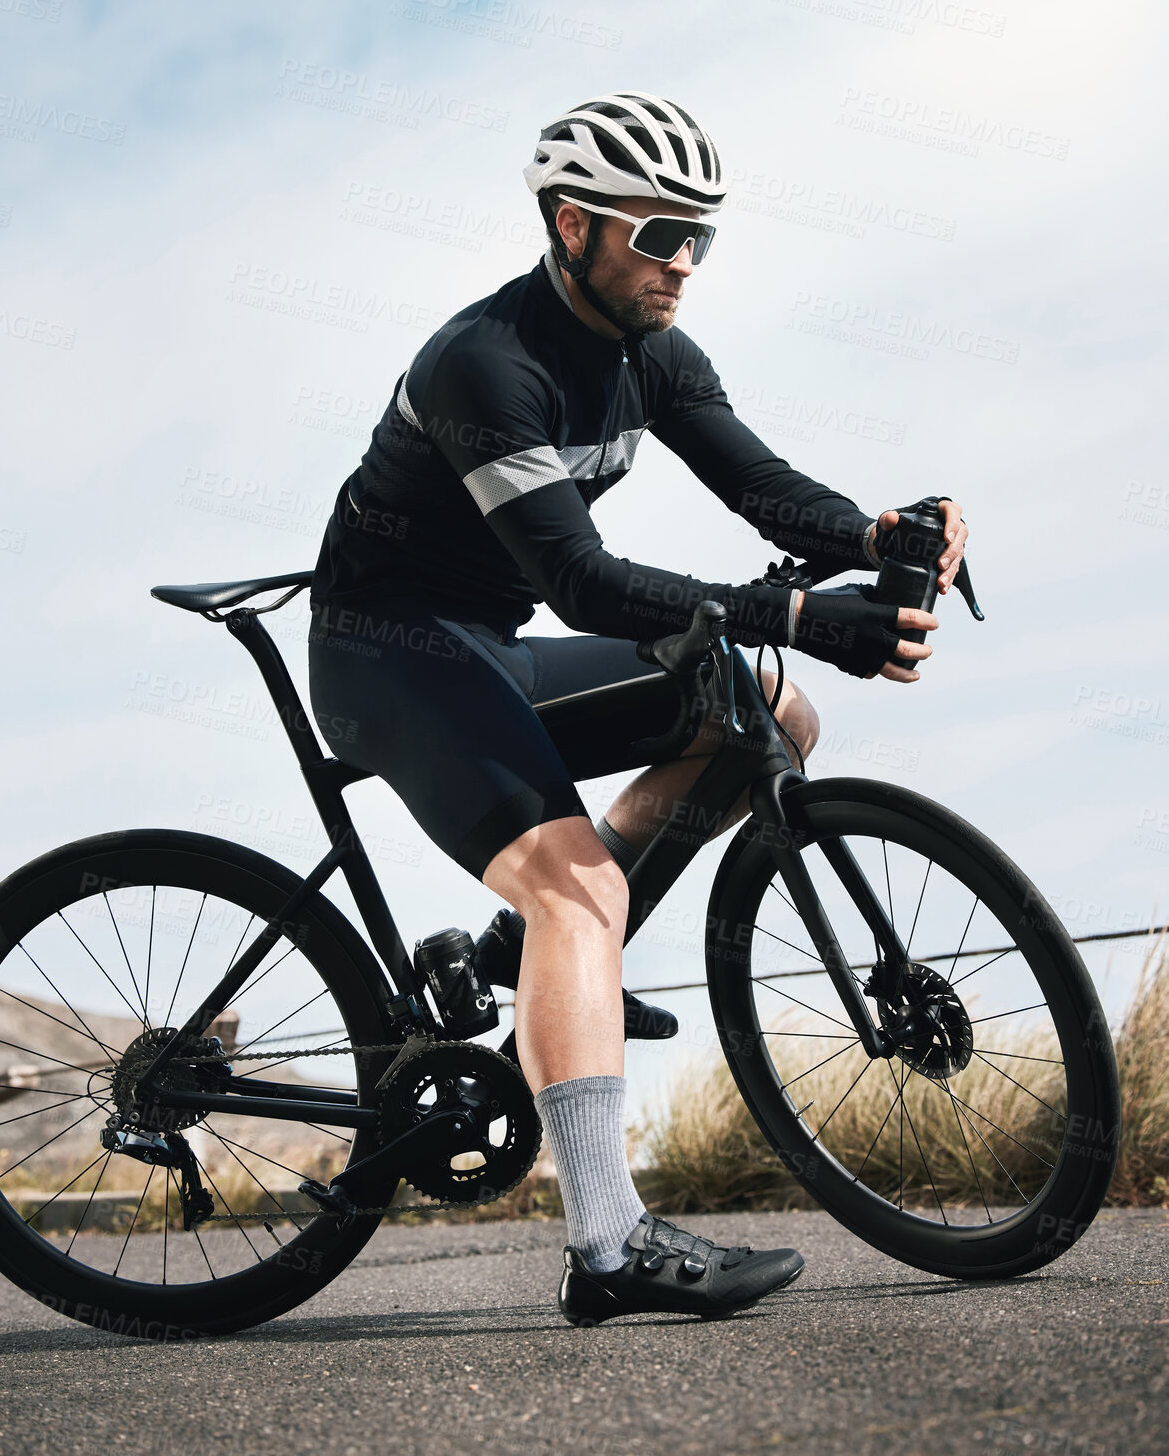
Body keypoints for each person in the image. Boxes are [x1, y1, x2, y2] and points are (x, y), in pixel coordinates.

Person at [308, 91, 969, 1324]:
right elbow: (581, 580)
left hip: (489, 652)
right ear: (573, 225)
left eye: (701, 239)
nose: (684, 266)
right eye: (660, 235)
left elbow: (761, 486)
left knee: (770, 714)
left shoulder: (655, 353)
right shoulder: (480, 363)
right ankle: (608, 1247)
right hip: (385, 657)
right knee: (582, 888)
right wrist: (797, 612)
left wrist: (879, 531)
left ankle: (519, 964)